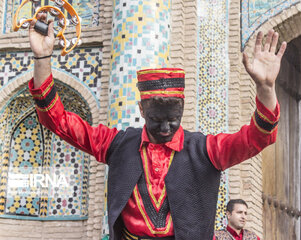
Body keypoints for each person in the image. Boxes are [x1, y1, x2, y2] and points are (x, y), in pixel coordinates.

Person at [27, 13, 286, 240]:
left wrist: (266, 89)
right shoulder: (116, 144)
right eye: (156, 121)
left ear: (182, 110)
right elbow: (58, 120)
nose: (165, 128)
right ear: (141, 111)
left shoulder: (206, 150)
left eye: (173, 121)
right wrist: (42, 59)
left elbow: (257, 138)